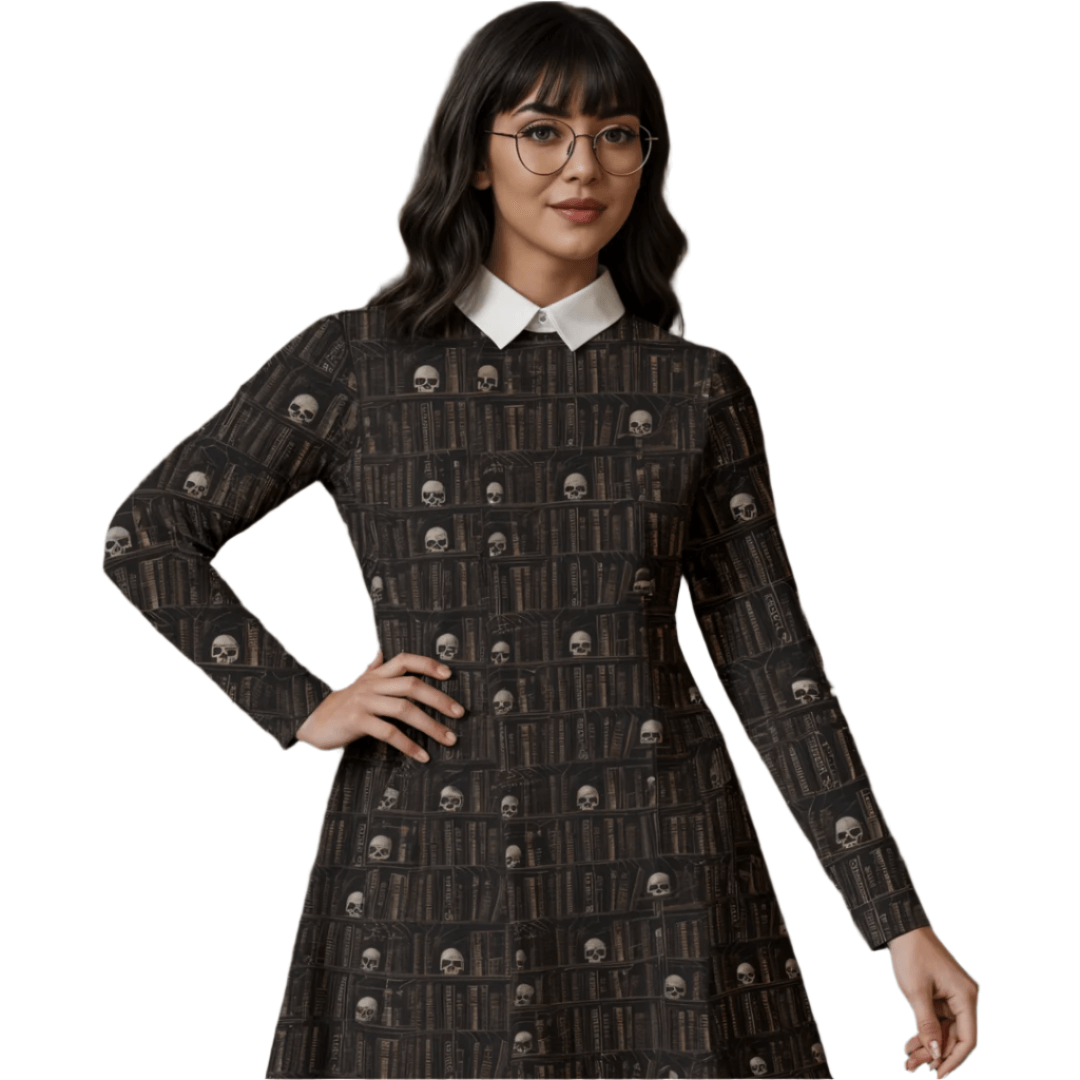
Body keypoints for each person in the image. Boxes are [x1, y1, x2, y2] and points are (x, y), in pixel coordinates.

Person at [101, 3, 978, 1077]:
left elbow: (773, 661)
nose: (583, 166)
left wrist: (897, 919)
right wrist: (303, 705)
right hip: (434, 856)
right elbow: (150, 534)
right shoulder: (359, 364)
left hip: (660, 861)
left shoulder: (692, 389)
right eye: (543, 131)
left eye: (617, 134)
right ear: (476, 156)